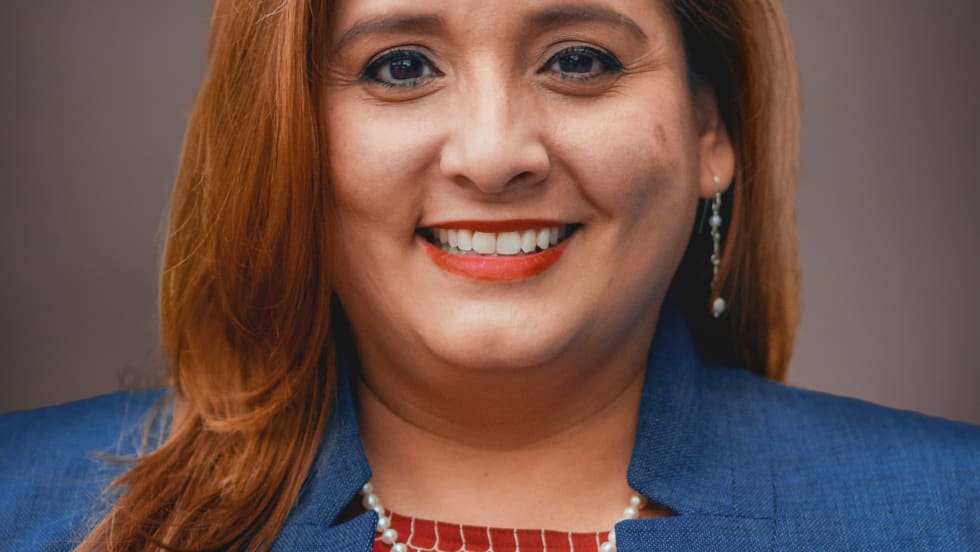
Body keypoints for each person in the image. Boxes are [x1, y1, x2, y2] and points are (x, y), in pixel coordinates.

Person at [1, 0, 977, 550]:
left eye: (579, 60)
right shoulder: (23, 507)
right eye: (399, 68)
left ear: (708, 131)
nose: (493, 154)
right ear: (283, 134)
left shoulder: (947, 514)